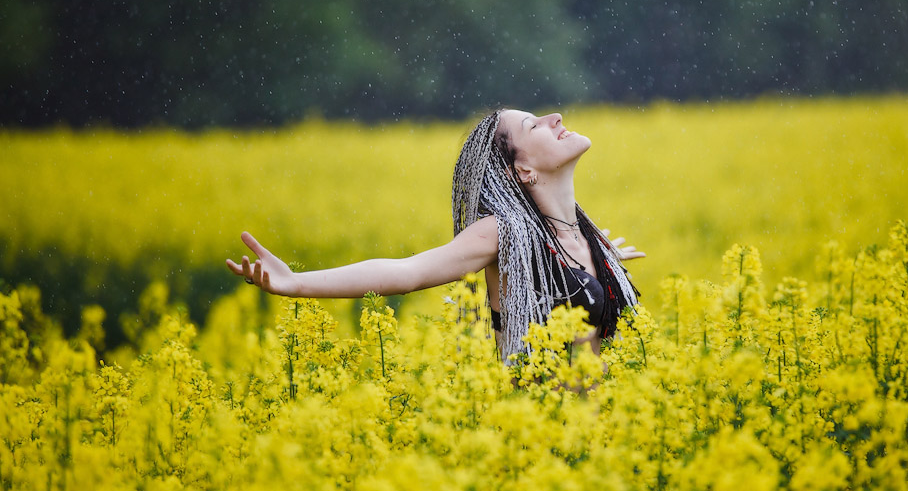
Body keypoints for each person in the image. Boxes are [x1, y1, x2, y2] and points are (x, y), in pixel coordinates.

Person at [226, 109, 644, 362]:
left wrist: (599, 265)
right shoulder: (507, 234)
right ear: (522, 170)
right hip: (543, 450)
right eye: (534, 126)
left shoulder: (587, 242)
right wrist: (296, 283)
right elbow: (408, 272)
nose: (556, 119)